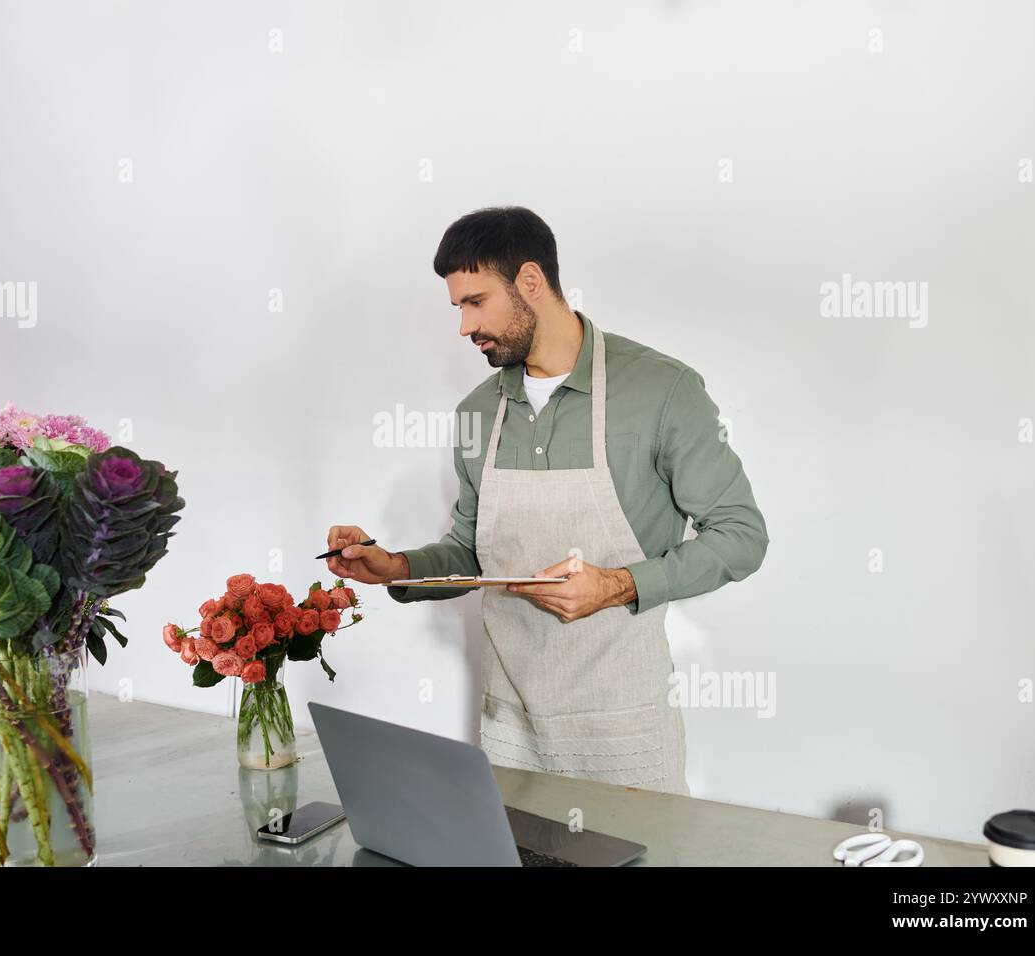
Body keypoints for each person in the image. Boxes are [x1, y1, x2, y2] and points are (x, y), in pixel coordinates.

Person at [325, 206, 768, 795]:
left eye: (475, 302)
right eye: (458, 306)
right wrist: (396, 568)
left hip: (623, 733)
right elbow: (472, 550)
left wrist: (617, 585)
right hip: (511, 731)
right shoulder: (479, 412)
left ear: (530, 282)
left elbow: (741, 537)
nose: (463, 327)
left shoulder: (662, 391)